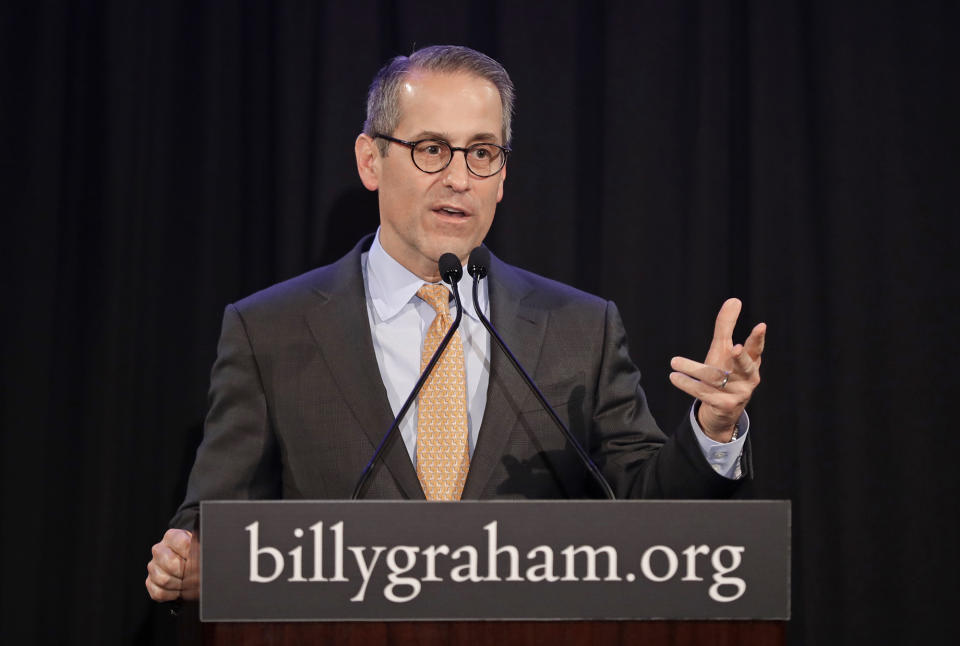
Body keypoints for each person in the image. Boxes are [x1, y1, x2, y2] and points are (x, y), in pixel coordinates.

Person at [145, 45, 766, 603]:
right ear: (371, 160)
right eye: (432, 149)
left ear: (503, 177)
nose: (459, 177)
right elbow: (215, 522)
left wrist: (712, 428)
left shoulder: (581, 328)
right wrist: (194, 558)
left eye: (482, 153)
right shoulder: (271, 331)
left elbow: (650, 520)